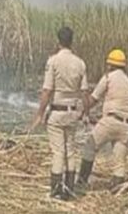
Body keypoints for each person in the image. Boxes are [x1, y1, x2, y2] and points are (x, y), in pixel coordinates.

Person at [30, 27, 89, 200]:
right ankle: (69, 190)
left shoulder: (53, 61)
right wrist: (85, 113)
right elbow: (85, 92)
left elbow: (47, 90)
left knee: (58, 152)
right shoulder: (80, 63)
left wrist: (40, 113)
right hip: (73, 113)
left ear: (59, 41)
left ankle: (56, 191)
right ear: (72, 41)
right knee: (70, 150)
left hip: (57, 112)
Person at [77, 49, 128, 191]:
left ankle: (82, 181)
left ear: (110, 65)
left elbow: (93, 99)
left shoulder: (108, 77)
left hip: (111, 121)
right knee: (119, 162)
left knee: (90, 146)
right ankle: (117, 188)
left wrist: (82, 110)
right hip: (126, 125)